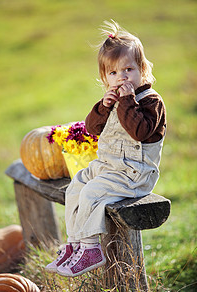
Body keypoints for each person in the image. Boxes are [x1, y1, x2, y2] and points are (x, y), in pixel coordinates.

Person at [45, 20, 167, 277]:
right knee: (77, 186)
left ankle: (91, 249)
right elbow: (92, 128)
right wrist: (103, 105)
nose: (121, 77)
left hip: (135, 174)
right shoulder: (113, 101)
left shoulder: (150, 101)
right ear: (105, 77)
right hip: (109, 167)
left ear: (143, 70)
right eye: (113, 73)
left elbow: (140, 131)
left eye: (128, 69)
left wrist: (126, 101)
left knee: (91, 193)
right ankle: (75, 243)